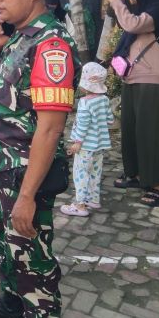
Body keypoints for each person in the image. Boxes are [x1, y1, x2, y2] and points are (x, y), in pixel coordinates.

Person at [0, 0, 80, 318]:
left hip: (24, 175)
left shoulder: (51, 46)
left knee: (32, 259)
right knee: (8, 248)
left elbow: (50, 128)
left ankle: (39, 312)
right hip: (2, 169)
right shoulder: (20, 37)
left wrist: (27, 196)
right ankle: (13, 304)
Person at [104, 0, 159, 208]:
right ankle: (134, 174)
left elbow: (132, 24)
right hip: (133, 77)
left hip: (152, 77)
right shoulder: (145, 8)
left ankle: (156, 184)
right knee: (130, 129)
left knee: (148, 131)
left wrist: (115, 0)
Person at [60, 62, 114, 217]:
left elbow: (83, 125)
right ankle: (93, 199)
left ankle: (80, 205)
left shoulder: (85, 102)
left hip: (85, 146)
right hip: (99, 145)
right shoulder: (104, 100)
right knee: (95, 172)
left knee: (81, 173)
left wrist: (77, 142)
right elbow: (110, 120)